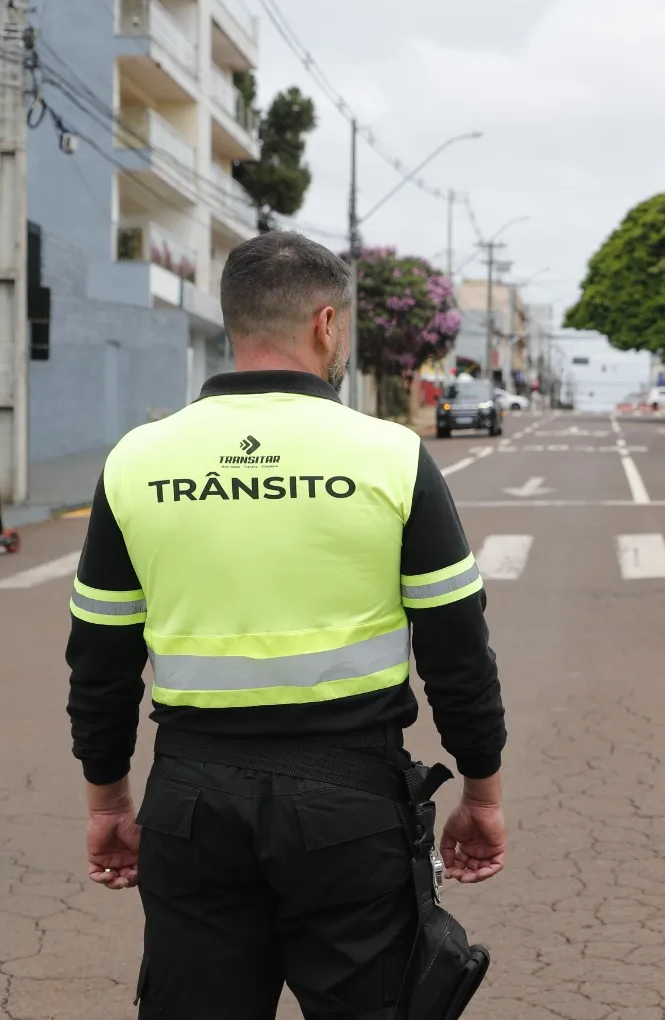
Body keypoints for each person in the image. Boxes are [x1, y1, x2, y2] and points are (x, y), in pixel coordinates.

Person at [65, 231, 508, 1019]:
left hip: (191, 805)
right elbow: (457, 652)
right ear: (326, 324)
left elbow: (99, 662)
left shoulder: (138, 461)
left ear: (234, 324)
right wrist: (482, 789)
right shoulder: (391, 457)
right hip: (349, 809)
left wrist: (108, 804)